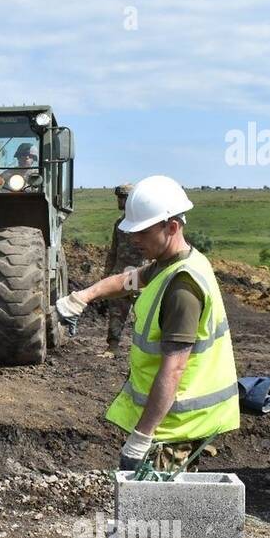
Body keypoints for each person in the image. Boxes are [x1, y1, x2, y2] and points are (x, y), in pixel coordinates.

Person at [53, 175, 239, 472]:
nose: (134, 239)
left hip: (176, 426)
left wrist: (141, 436)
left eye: (142, 232)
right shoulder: (168, 264)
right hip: (170, 421)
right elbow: (128, 280)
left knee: (158, 510)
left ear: (172, 227)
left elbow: (174, 368)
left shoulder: (182, 287)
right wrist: (83, 296)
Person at [102, 183, 144, 357]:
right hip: (120, 274)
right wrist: (107, 274)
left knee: (143, 314)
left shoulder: (144, 223)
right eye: (119, 197)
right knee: (116, 312)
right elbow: (114, 250)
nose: (120, 201)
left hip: (141, 275)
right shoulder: (119, 223)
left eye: (124, 197)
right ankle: (113, 347)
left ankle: (143, 350)